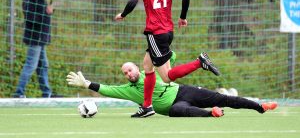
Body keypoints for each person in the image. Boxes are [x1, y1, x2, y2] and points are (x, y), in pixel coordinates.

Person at [114, 0, 221, 117]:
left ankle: (200, 62)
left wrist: (123, 14)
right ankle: (147, 106)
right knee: (147, 65)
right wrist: (183, 17)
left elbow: (132, 2)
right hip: (167, 31)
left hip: (155, 33)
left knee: (166, 77)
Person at [66, 52, 277, 117]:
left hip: (184, 91)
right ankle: (212, 114)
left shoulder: (152, 71)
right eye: (124, 72)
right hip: (175, 106)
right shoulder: (128, 90)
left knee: (226, 99)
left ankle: (260, 107)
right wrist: (86, 84)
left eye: (130, 69)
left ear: (138, 69)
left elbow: (170, 59)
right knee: (177, 110)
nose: (128, 73)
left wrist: (161, 50)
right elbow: (106, 89)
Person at [13, 0, 53, 98]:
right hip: (34, 38)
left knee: (43, 65)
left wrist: (48, 11)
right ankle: (19, 92)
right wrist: (47, 13)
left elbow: (43, 17)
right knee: (31, 65)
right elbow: (32, 19)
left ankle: (47, 93)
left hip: (41, 39)